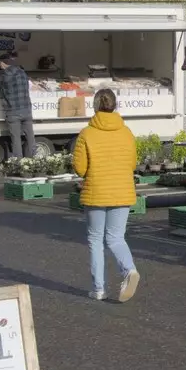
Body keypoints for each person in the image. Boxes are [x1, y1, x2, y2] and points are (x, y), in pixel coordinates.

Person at [72, 88, 141, 303]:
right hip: (122, 191)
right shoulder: (126, 132)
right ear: (115, 106)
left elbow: (80, 167)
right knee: (116, 237)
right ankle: (129, 270)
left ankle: (98, 289)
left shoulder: (86, 133)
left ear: (95, 106)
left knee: (95, 240)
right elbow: (132, 164)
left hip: (96, 192)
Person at [0, 51, 36, 159]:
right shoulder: (22, 72)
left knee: (16, 139)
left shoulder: (4, 75)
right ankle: (36, 160)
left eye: (0, 62)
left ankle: (19, 163)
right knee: (30, 138)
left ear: (4, 63)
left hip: (13, 111)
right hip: (27, 110)